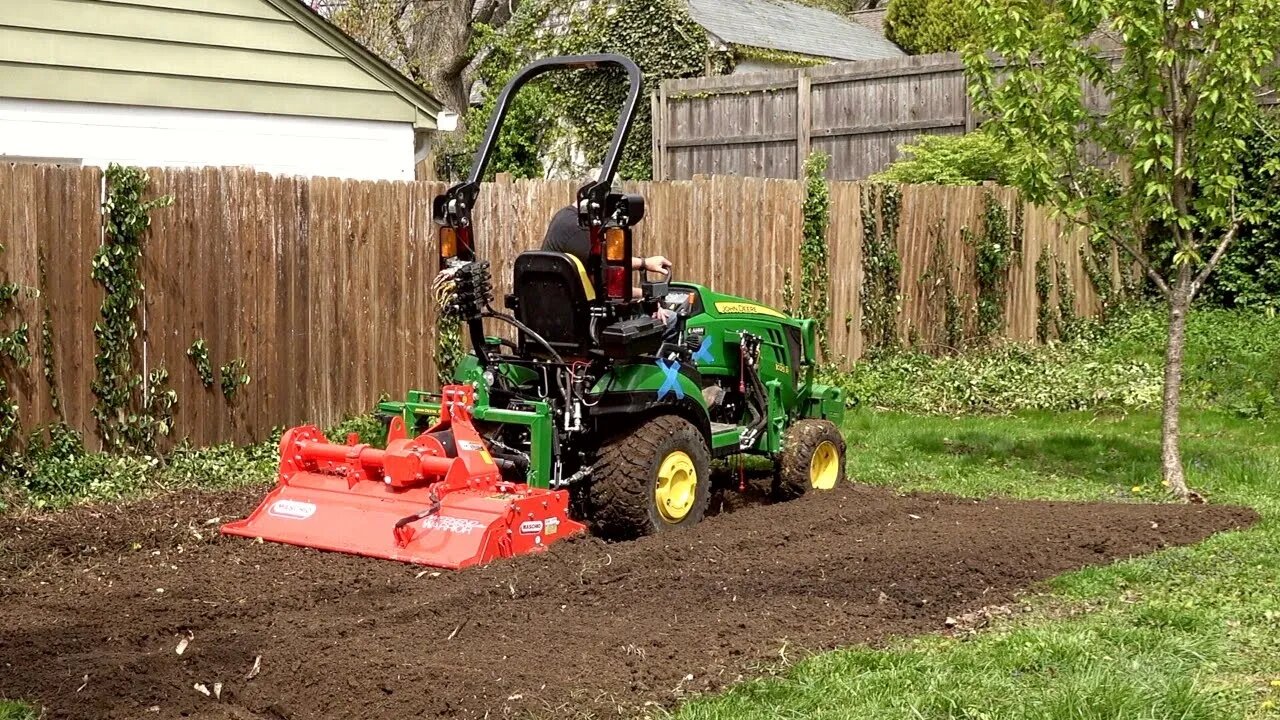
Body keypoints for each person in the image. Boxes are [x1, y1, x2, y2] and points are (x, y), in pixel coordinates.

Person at [542, 205, 679, 341]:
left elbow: (606, 265)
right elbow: (610, 289)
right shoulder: (580, 231)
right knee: (670, 319)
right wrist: (648, 297)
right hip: (587, 327)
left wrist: (644, 264)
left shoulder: (563, 219)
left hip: (552, 323)